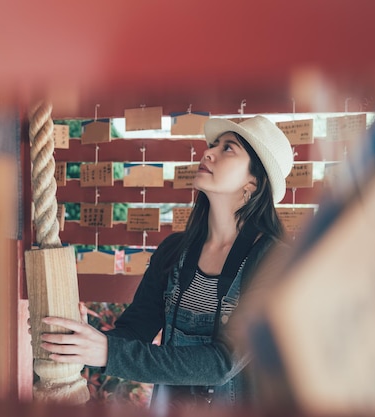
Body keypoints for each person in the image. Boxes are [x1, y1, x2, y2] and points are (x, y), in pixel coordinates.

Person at [38, 115, 294, 409]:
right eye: (213, 144)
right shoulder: (175, 250)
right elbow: (136, 329)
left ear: (253, 180)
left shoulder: (273, 260)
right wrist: (79, 339)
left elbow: (223, 362)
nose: (208, 152)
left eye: (228, 148)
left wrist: (107, 352)